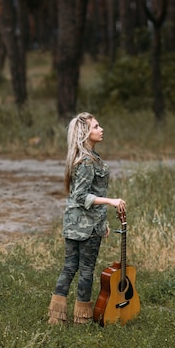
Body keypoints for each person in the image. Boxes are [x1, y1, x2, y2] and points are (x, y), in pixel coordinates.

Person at [47, 112, 127, 325]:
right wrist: (111, 202)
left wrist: (104, 222)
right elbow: (81, 196)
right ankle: (82, 318)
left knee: (69, 267)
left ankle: (56, 317)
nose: (101, 129)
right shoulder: (88, 162)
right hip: (85, 227)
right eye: (96, 127)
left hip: (77, 223)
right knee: (85, 270)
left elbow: (85, 195)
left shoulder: (85, 158)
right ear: (85, 133)